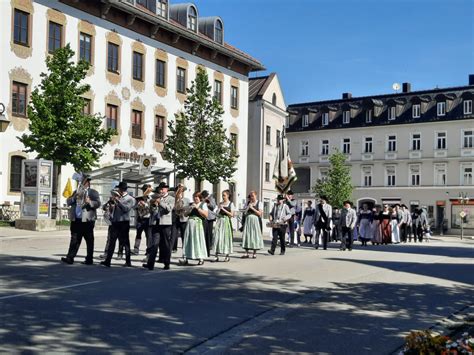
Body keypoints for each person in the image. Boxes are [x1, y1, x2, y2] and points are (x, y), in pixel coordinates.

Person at [61, 174, 101, 265]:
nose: (80, 184)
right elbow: (68, 201)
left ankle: (89, 259)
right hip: (76, 220)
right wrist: (74, 198)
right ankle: (70, 257)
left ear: (87, 183)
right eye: (79, 182)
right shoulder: (76, 192)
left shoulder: (93, 192)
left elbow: (98, 203)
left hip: (88, 220)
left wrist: (90, 202)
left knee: (89, 240)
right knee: (74, 239)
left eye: (82, 182)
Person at [101, 181, 136, 267]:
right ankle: (108, 260)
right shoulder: (116, 197)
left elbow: (126, 209)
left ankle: (128, 261)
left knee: (125, 242)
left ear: (122, 190)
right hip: (115, 222)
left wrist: (118, 201)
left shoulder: (130, 199)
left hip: (124, 222)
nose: (118, 190)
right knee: (112, 241)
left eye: (119, 189)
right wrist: (110, 202)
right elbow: (104, 207)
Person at [143, 182, 175, 271]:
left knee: (165, 244)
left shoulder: (171, 198)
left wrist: (160, 202)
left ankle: (167, 263)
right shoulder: (155, 197)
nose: (161, 190)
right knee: (154, 244)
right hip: (155, 223)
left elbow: (169, 209)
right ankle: (150, 264)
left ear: (166, 189)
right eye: (160, 189)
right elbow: (151, 210)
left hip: (165, 224)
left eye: (163, 189)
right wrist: (153, 206)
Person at [179, 192, 208, 266]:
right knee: (188, 240)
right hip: (190, 223)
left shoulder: (203, 204)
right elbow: (185, 214)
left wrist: (197, 208)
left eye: (197, 197)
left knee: (198, 240)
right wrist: (189, 209)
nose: (195, 198)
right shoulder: (190, 204)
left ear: (200, 197)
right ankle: (186, 258)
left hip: (197, 224)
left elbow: (205, 215)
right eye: (194, 196)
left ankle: (200, 258)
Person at [211, 190, 235, 262]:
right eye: (222, 195)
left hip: (226, 221)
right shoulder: (220, 203)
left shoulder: (231, 204)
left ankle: (227, 255)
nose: (223, 196)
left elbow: (232, 215)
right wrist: (218, 210)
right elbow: (217, 214)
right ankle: (216, 255)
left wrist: (223, 209)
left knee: (225, 238)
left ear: (228, 195)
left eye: (224, 195)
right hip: (220, 221)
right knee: (217, 237)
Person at [241, 191, 264, 259]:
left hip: (255, 221)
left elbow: (260, 214)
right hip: (248, 221)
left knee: (255, 235)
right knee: (247, 235)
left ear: (256, 196)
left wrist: (252, 208)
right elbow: (244, 212)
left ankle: (254, 253)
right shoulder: (248, 203)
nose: (251, 197)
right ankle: (246, 253)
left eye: (253, 196)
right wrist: (247, 208)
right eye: (251, 196)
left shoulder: (259, 203)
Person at [132, 184, 152, 255]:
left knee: (148, 235)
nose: (145, 191)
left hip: (148, 218)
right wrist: (138, 205)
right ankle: (136, 250)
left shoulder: (151, 199)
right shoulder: (139, 198)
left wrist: (145, 205)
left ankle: (148, 251)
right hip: (140, 218)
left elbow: (152, 208)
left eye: (146, 190)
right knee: (138, 234)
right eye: (144, 190)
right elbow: (133, 208)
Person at [172, 184, 189, 253]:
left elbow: (187, 208)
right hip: (175, 218)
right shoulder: (173, 199)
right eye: (178, 191)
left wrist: (181, 202)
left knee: (183, 234)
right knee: (174, 234)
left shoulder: (186, 200)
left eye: (181, 191)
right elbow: (173, 208)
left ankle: (185, 248)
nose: (180, 192)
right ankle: (173, 248)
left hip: (183, 218)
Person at [201, 190, 217, 257]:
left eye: (205, 195)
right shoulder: (201, 199)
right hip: (203, 217)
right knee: (204, 233)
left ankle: (209, 245)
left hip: (210, 217)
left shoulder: (211, 199)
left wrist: (208, 203)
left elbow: (213, 207)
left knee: (209, 233)